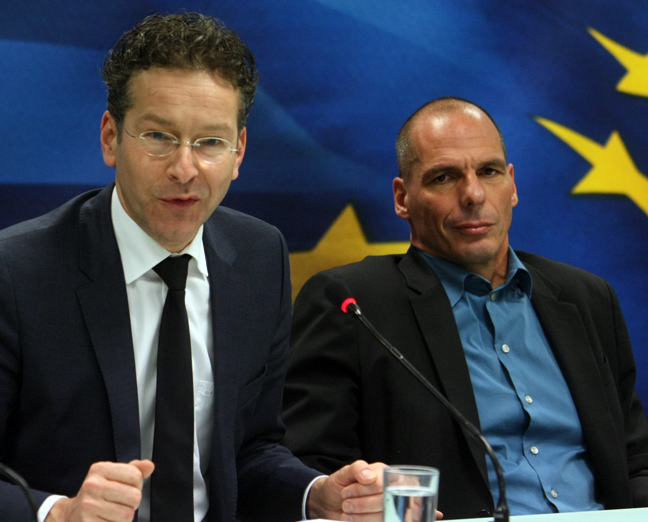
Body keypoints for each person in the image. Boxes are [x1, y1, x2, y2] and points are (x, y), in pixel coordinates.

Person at [0, 12, 387, 522]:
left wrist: (315, 494)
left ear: (239, 151)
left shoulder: (258, 257)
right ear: (111, 137)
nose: (185, 168)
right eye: (158, 136)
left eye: (209, 142)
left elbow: (249, 450)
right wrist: (57, 513)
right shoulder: (17, 271)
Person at [282, 96, 648, 519]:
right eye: (444, 177)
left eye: (489, 172)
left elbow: (636, 459)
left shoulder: (586, 298)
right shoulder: (354, 305)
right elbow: (313, 474)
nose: (473, 195)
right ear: (402, 198)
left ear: (512, 185)